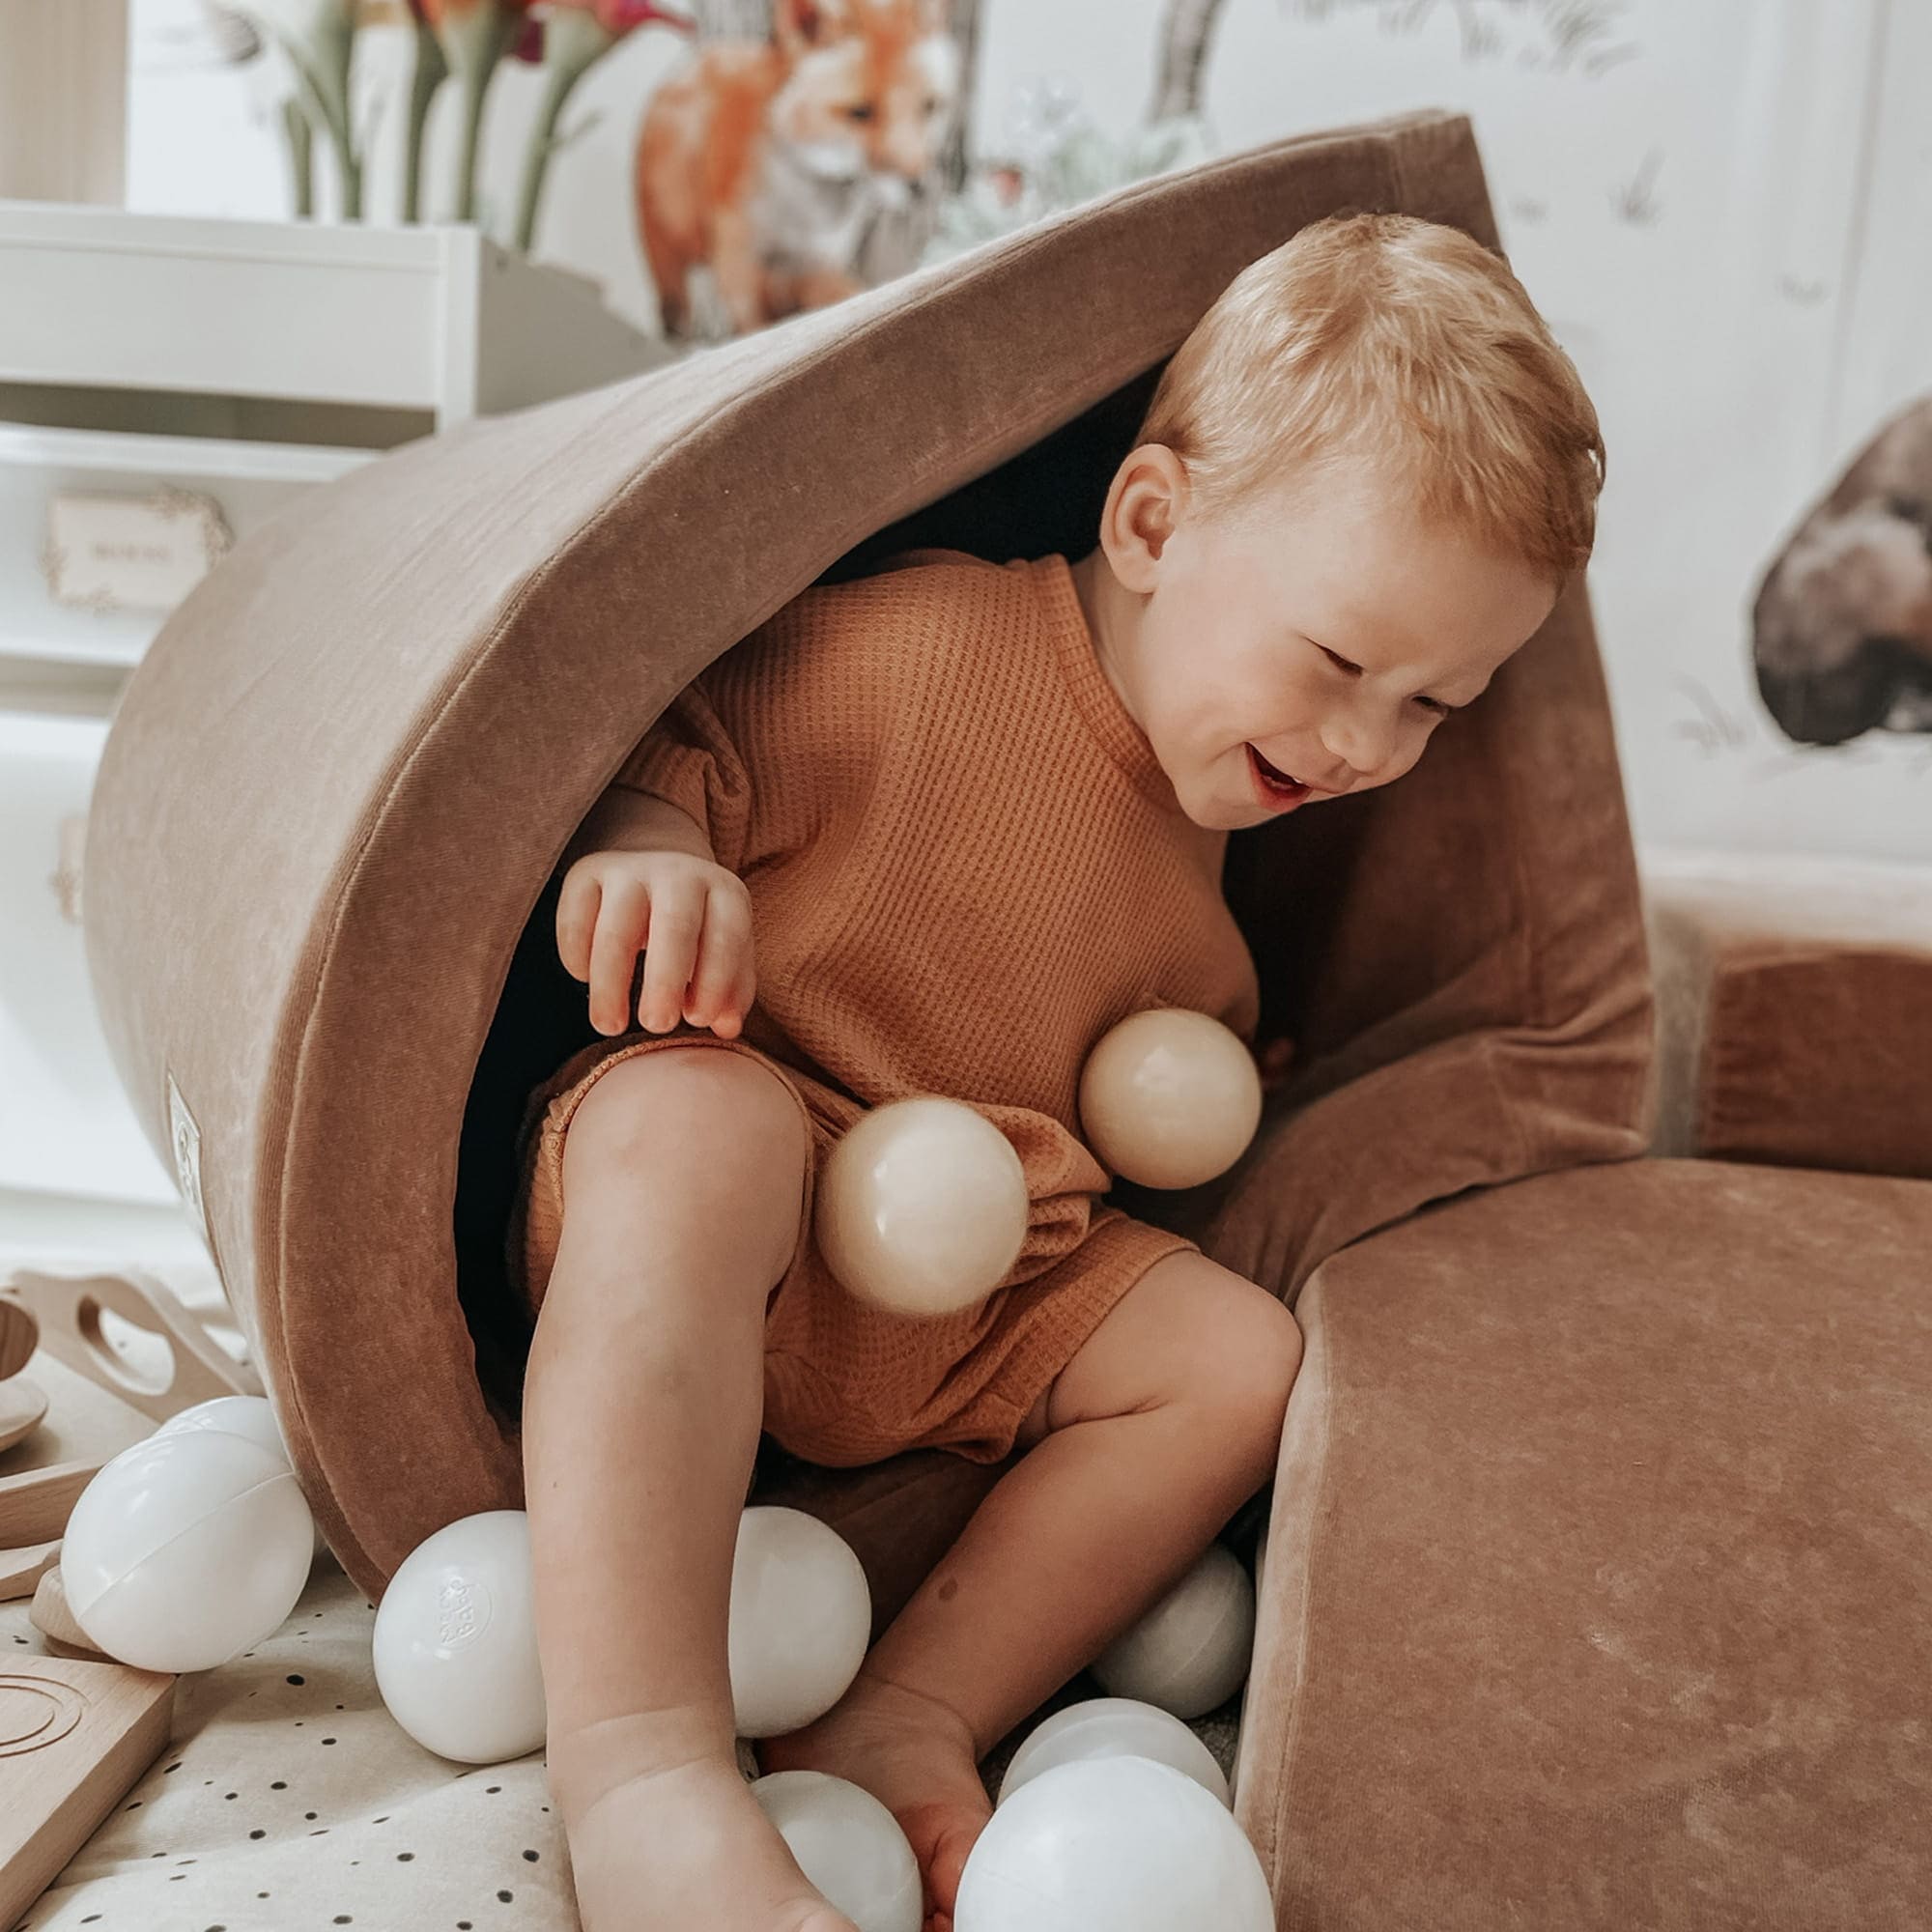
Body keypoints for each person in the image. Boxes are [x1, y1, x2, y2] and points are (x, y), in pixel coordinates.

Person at [507, 208, 1605, 1932]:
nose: (1369, 747)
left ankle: (910, 1708)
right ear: (1153, 522)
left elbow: (1141, 1051)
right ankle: (643, 1778)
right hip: (749, 1195)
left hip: (986, 1258)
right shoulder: (916, 651)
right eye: (1338, 663)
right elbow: (674, 737)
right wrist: (650, 844)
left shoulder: (1226, 811)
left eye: (1436, 706)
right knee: (687, 1126)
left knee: (1235, 1359)